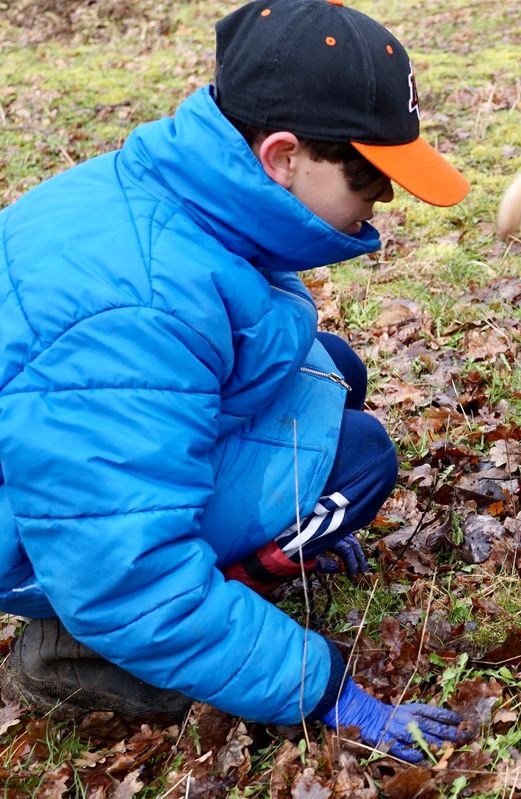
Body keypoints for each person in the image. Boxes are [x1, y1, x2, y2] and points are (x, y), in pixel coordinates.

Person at [0, 0, 470, 763]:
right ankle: (73, 654)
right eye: (370, 179)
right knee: (359, 459)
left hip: (61, 482)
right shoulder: (139, 302)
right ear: (282, 158)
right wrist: (329, 691)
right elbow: (128, 573)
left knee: (333, 373)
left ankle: (232, 561)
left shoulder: (179, 190)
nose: (380, 206)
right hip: (48, 541)